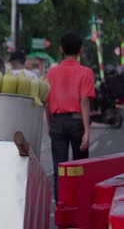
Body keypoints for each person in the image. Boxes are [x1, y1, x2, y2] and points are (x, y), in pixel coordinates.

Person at [45, 32, 95, 203]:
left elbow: (47, 102)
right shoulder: (86, 72)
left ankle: (62, 206)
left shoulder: (51, 73)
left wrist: (50, 123)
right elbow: (84, 101)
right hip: (77, 122)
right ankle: (79, 205)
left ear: (60, 49)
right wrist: (87, 131)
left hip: (57, 122)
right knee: (80, 167)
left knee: (59, 168)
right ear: (80, 50)